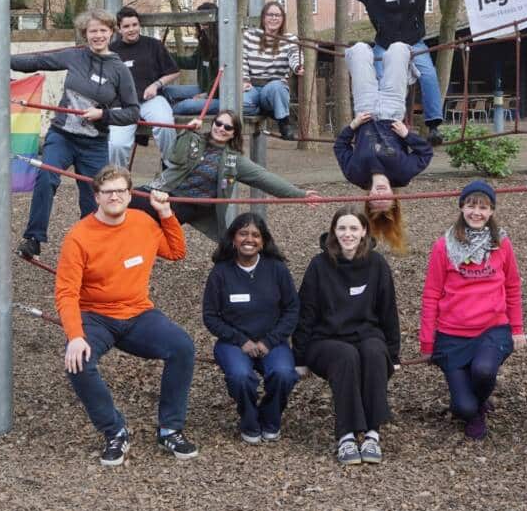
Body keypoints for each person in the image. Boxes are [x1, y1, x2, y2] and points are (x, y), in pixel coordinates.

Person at [57, 165, 196, 467]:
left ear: (130, 194)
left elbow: (175, 251)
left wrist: (166, 213)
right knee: (78, 363)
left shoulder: (143, 223)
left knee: (182, 347)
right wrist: (75, 336)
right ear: (96, 197)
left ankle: (170, 428)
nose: (115, 196)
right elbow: (66, 293)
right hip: (96, 316)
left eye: (121, 191)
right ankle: (114, 430)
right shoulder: (79, 237)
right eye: (108, 192)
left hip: (138, 313)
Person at [305, 0, 453, 144]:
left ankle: (433, 126)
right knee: (383, 81)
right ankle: (389, 124)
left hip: (414, 42)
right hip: (386, 44)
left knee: (429, 76)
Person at [13, 10, 140, 259]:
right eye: (93, 31)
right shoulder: (75, 56)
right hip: (62, 136)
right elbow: (37, 61)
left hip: (94, 143)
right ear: (85, 34)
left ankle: (92, 246)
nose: (98, 35)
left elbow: (133, 112)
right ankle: (33, 239)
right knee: (46, 177)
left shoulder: (119, 69)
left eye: (103, 30)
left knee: (94, 196)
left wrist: (102, 115)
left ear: (112, 33)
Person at [293, 206, 401, 465]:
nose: (348, 234)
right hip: (325, 339)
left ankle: (373, 433)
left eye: (354, 228)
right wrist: (299, 357)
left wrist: (393, 353)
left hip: (366, 334)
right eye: (342, 228)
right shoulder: (319, 265)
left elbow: (388, 311)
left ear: (364, 231)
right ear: (333, 232)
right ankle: (347, 436)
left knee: (375, 352)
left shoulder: (376, 264)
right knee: (346, 356)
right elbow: (305, 313)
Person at [420, 180, 526, 440]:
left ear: (491, 212)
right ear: (461, 208)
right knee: (462, 407)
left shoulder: (501, 244)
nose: (476, 212)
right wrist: (426, 340)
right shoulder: (443, 246)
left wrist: (517, 328)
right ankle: (472, 403)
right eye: (471, 206)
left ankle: (477, 404)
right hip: (452, 334)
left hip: (492, 328)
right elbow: (432, 294)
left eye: (483, 207)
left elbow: (512, 286)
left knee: (483, 370)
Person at [134, 109, 319, 241]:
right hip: (162, 188)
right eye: (219, 123)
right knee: (126, 197)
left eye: (228, 128)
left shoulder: (234, 160)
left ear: (234, 134)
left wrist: (299, 194)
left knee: (146, 217)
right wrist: (188, 132)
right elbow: (173, 157)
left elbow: (264, 178)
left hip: (189, 202)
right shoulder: (196, 140)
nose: (221, 128)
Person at [202, 213, 300, 444]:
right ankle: (249, 419)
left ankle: (270, 416)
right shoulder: (221, 272)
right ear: (233, 239)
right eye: (243, 233)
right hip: (234, 343)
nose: (249, 239)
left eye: (255, 235)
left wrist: (269, 341)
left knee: (284, 374)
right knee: (239, 376)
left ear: (263, 241)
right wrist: (240, 340)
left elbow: (292, 309)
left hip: (272, 341)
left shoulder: (277, 269)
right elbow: (210, 316)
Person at [335, 113, 432, 255]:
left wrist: (353, 126)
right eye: (385, 199)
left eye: (376, 200)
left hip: (366, 112)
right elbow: (426, 153)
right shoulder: (403, 174)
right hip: (391, 111)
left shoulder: (356, 175)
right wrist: (407, 135)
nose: (380, 194)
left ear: (369, 197)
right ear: (393, 197)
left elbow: (340, 147)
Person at [107, 6, 181, 167]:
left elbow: (174, 72)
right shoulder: (111, 51)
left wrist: (156, 84)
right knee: (116, 144)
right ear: (119, 29)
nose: (131, 29)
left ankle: (170, 168)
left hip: (151, 100)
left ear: (140, 25)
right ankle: (118, 180)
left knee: (166, 125)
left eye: (135, 25)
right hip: (122, 105)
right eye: (126, 26)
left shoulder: (153, 45)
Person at [240, 1, 303, 140]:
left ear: (283, 19)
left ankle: (284, 123)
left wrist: (298, 66)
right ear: (263, 17)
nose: (274, 18)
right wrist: (244, 79)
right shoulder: (250, 36)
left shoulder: (290, 39)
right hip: (253, 86)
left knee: (277, 87)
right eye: (270, 15)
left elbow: (295, 55)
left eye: (278, 15)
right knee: (241, 106)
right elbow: (242, 59)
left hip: (273, 86)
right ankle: (267, 110)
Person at [164, 2, 221, 116]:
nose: (201, 26)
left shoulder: (224, 44)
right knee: (166, 90)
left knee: (186, 105)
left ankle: (163, 114)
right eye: (200, 23)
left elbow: (223, 79)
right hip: (203, 89)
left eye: (205, 23)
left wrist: (206, 95)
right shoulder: (205, 41)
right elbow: (192, 62)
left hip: (220, 97)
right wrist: (166, 55)